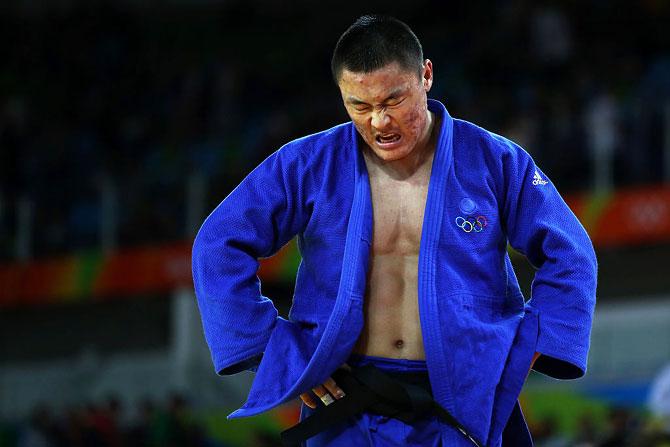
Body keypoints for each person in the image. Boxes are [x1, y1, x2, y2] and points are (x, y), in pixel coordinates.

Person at [192, 15, 597, 447]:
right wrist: (272, 351)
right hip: (346, 400)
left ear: (426, 75)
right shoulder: (307, 164)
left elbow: (570, 252)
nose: (380, 122)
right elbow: (217, 245)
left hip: (461, 401)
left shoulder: (494, 160)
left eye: (393, 100)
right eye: (359, 107)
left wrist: (535, 343)